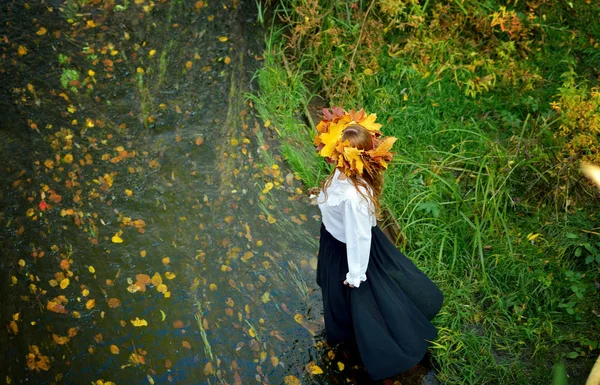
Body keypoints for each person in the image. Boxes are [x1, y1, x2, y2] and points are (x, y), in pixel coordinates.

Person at [313, 107, 444, 381]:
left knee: (368, 301)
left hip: (349, 252)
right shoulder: (343, 175)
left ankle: (386, 348)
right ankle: (348, 329)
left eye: (337, 153)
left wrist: (356, 274)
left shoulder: (354, 197)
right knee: (343, 295)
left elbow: (359, 237)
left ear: (351, 159)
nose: (331, 156)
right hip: (334, 241)